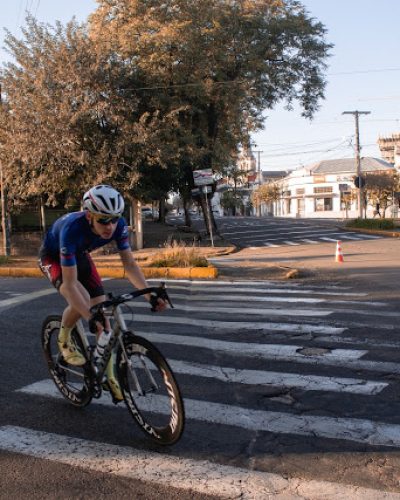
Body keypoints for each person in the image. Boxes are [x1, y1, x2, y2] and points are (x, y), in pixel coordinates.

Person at [38, 184, 166, 401]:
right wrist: (89, 315)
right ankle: (64, 338)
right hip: (54, 257)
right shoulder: (72, 229)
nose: (110, 226)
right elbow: (69, 286)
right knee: (85, 302)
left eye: (115, 218)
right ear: (89, 216)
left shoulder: (119, 226)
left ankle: (109, 375)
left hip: (80, 255)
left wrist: (149, 294)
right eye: (103, 220)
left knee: (103, 317)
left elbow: (130, 265)